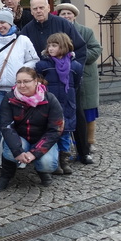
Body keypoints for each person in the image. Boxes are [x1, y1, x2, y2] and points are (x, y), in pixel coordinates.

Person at [21, 0, 92, 165]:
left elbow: (80, 48)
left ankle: (83, 152)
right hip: (44, 81)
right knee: (45, 118)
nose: (38, 11)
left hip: (68, 79)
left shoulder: (63, 24)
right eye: (35, 9)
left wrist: (74, 70)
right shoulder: (27, 30)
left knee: (75, 114)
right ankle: (47, 155)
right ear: (31, 11)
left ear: (48, 7)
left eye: (41, 7)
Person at [0, 67, 64, 191]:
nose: (22, 85)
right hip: (20, 137)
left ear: (36, 81)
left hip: (42, 138)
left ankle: (42, 171)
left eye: (26, 81)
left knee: (47, 163)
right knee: (10, 152)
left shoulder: (50, 99)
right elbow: (6, 126)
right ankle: (6, 175)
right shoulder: (9, 98)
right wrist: (18, 151)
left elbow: (56, 129)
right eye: (19, 82)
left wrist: (34, 153)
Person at [0, 9, 39, 154]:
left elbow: (33, 60)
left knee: (20, 124)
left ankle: (18, 153)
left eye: (3, 23)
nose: (0, 26)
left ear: (10, 23)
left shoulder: (23, 40)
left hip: (19, 90)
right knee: (1, 125)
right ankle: (2, 156)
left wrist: (22, 72)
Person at [56, 2, 102, 154]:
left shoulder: (86, 31)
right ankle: (69, 143)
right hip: (64, 77)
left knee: (87, 111)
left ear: (74, 16)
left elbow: (96, 49)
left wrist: (77, 57)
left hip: (85, 75)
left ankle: (90, 142)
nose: (66, 16)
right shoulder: (57, 33)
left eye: (69, 13)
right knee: (67, 111)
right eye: (63, 14)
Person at [35, 33, 83, 176]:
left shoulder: (75, 66)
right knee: (51, 133)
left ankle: (64, 160)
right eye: (49, 45)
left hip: (67, 104)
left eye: (54, 45)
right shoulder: (43, 65)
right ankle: (54, 161)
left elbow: (76, 84)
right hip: (49, 105)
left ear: (63, 46)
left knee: (65, 133)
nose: (50, 48)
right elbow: (39, 85)